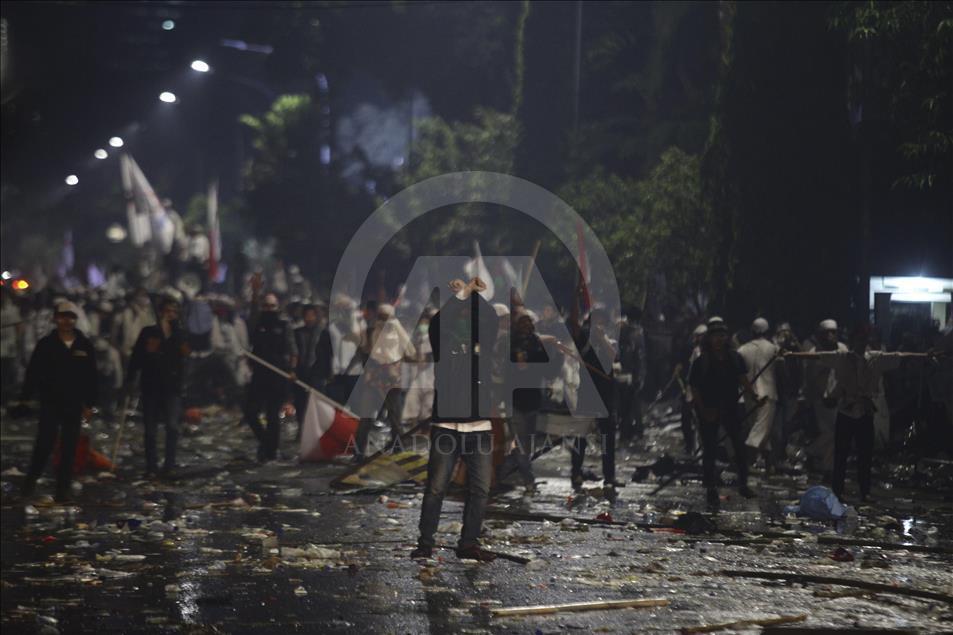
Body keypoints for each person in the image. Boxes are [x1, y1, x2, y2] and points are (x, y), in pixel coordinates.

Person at [785, 323, 932, 502]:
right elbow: (817, 356)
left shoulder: (875, 358)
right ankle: (838, 491)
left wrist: (926, 355)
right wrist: (790, 354)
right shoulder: (842, 357)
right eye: (860, 339)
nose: (863, 343)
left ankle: (865, 491)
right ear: (853, 340)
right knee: (841, 454)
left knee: (865, 455)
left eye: (865, 339)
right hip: (846, 410)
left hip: (865, 411)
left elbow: (899, 356)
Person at [411, 278, 499, 562]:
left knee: (481, 489)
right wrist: (460, 295)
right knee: (436, 488)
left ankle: (468, 543)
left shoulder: (483, 351)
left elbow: (490, 320)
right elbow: (438, 324)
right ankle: (425, 543)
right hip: (446, 427)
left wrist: (474, 295)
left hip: (480, 428)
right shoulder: (443, 352)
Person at [19, 301, 98, 503]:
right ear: (55, 318)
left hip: (73, 404)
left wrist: (89, 404)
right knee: (44, 444)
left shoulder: (84, 345)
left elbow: (91, 377)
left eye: (71, 317)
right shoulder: (46, 344)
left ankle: (62, 490)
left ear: (75, 320)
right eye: (63, 316)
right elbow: (33, 373)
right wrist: (25, 399)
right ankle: (29, 484)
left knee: (69, 448)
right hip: (51, 403)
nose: (67, 321)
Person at [689, 317, 760, 509]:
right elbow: (694, 388)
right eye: (715, 336)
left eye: (722, 335)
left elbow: (743, 379)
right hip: (709, 409)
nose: (719, 340)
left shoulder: (735, 357)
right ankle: (711, 488)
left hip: (730, 407)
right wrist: (703, 410)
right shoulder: (702, 361)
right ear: (709, 339)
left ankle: (743, 484)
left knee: (739, 447)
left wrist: (754, 396)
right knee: (710, 450)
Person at [126, 297, 189, 479]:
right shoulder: (148, 333)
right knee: (150, 430)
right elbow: (137, 357)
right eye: (168, 311)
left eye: (174, 312)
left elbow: (186, 354)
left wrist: (176, 332)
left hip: (172, 387)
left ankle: (169, 465)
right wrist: (130, 380)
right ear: (161, 313)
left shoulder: (180, 334)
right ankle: (151, 466)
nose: (171, 315)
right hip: (151, 385)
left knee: (172, 426)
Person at [495, 310, 553, 494]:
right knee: (520, 443)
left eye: (529, 323)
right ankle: (528, 480)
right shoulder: (510, 344)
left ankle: (500, 474)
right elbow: (507, 371)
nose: (526, 327)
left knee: (525, 445)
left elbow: (547, 368)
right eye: (523, 323)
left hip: (532, 400)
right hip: (516, 401)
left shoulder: (536, 344)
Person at [353, 302, 415, 461]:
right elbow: (363, 351)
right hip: (372, 380)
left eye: (387, 317)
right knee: (366, 417)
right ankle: (359, 453)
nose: (384, 321)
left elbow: (411, 353)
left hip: (392, 381)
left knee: (395, 419)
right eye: (382, 317)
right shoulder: (369, 332)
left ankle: (399, 450)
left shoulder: (398, 333)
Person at [568, 308, 621, 491]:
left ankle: (609, 476)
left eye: (601, 321)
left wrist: (602, 338)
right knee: (581, 436)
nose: (598, 324)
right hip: (587, 394)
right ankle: (575, 472)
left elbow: (614, 356)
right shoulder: (584, 339)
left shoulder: (610, 339)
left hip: (606, 395)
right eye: (595, 321)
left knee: (607, 437)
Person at [243, 293, 298, 463]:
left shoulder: (284, 324)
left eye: (272, 306)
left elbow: (292, 349)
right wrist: (254, 293)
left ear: (277, 307)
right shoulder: (257, 323)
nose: (269, 310)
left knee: (273, 415)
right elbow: (251, 320)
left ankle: (271, 452)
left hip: (277, 375)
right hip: (259, 374)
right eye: (265, 306)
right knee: (250, 412)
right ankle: (267, 443)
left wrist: (292, 369)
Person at [804, 319, 846, 474]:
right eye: (827, 333)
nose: (830, 336)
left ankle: (825, 462)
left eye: (833, 332)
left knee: (834, 433)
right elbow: (810, 378)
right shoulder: (814, 353)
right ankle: (820, 458)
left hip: (839, 396)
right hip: (822, 398)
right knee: (831, 432)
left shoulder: (842, 349)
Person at [737, 317, 780, 469]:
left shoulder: (741, 350)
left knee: (761, 430)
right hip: (768, 395)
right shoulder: (773, 348)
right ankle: (744, 466)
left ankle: (769, 465)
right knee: (759, 432)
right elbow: (782, 371)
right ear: (767, 331)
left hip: (749, 394)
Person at [293, 304, 325, 440]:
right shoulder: (297, 332)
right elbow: (294, 352)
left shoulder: (322, 332)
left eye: (312, 315)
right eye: (307, 315)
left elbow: (326, 354)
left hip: (317, 372)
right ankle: (302, 428)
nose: (309, 318)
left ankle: (314, 431)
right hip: (301, 372)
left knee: (315, 403)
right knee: (300, 403)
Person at [615, 306, 647, 444]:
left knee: (632, 405)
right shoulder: (620, 334)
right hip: (621, 375)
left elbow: (639, 357)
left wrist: (639, 377)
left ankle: (633, 432)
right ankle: (627, 432)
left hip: (631, 375)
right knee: (623, 406)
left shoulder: (635, 334)